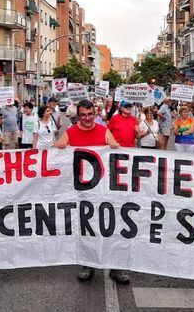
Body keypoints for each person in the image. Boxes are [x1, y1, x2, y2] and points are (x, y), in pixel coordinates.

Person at [55, 100, 126, 284]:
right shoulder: (70, 133)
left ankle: (115, 268)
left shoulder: (103, 131)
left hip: (105, 191)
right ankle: (88, 265)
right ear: (78, 116)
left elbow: (114, 147)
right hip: (82, 193)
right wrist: (59, 148)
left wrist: (115, 148)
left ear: (95, 114)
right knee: (87, 230)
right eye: (83, 115)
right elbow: (55, 154)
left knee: (111, 228)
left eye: (90, 114)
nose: (87, 118)